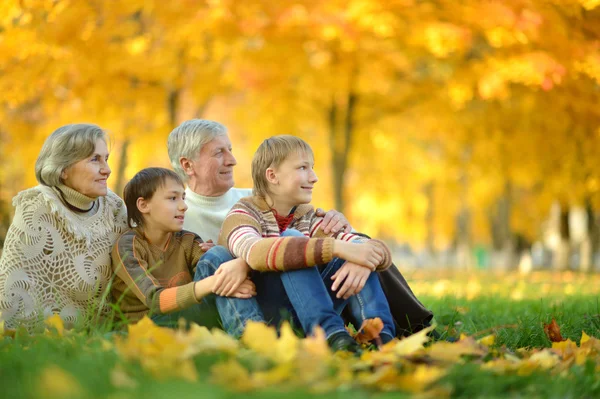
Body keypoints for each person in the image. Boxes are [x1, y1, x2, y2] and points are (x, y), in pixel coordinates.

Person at [167, 119, 434, 338]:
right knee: (279, 245)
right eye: (219, 152)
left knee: (351, 246)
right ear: (187, 165)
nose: (233, 160)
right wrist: (242, 262)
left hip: (284, 290)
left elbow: (337, 238)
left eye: (231, 150)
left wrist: (358, 254)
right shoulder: (175, 215)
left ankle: (402, 330)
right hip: (231, 302)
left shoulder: (258, 197)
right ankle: (284, 336)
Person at [218, 135, 396, 352]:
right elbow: (254, 253)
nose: (314, 177)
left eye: (312, 168)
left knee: (354, 253)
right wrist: (340, 248)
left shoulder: (308, 216)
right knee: (293, 240)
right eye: (303, 168)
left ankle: (380, 336)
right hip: (270, 317)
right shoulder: (242, 214)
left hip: (305, 307)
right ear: (272, 176)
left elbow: (365, 244)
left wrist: (361, 258)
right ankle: (331, 334)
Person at [0, 124, 128, 332]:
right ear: (64, 169)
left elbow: (144, 256)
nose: (107, 169)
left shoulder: (114, 207)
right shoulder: (38, 208)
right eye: (95, 159)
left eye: (106, 158)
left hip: (113, 336)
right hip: (49, 340)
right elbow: (14, 293)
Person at [110, 167, 263, 337]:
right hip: (146, 328)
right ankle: (252, 336)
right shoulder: (128, 246)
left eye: (183, 198)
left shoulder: (187, 241)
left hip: (184, 319)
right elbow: (156, 301)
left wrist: (224, 263)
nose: (184, 206)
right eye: (173, 198)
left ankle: (251, 332)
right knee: (222, 277)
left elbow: (213, 266)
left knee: (218, 254)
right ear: (144, 205)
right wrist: (216, 282)